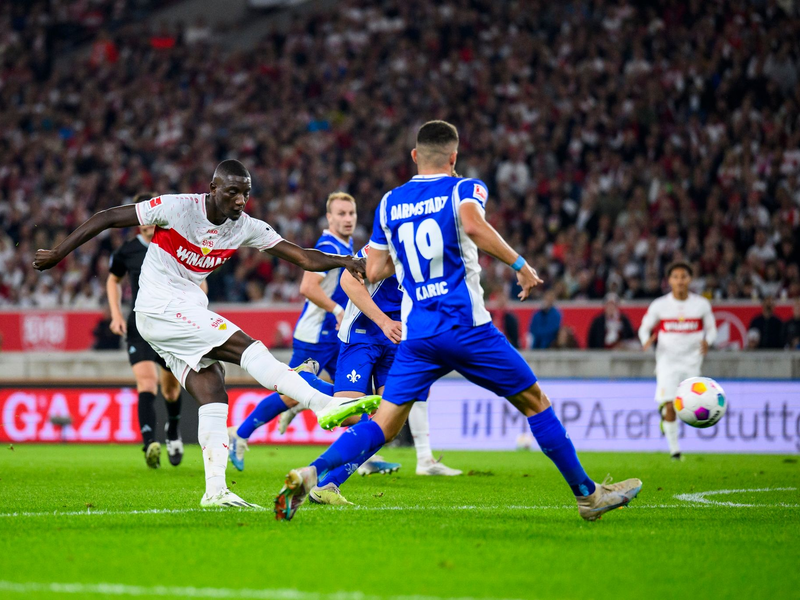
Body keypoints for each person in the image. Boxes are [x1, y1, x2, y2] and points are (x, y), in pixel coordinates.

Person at [274, 121, 641, 521]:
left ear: (414, 156)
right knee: (535, 402)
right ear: (454, 157)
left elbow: (373, 268)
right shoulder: (465, 188)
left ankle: (312, 472)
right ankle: (588, 496)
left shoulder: (389, 202)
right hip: (467, 327)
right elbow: (471, 223)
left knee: (384, 424)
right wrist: (519, 263)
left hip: (418, 336)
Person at [33, 159, 380, 508]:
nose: (240, 200)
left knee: (213, 386)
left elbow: (302, 257)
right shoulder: (178, 207)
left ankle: (215, 491)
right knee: (248, 347)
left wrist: (344, 261)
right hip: (158, 306)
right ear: (212, 189)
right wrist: (59, 252)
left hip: (180, 311)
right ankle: (321, 404)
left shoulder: (244, 226)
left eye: (246, 193)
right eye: (232, 192)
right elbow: (108, 217)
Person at [308, 243, 463, 506]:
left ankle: (328, 485)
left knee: (389, 420)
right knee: (352, 415)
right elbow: (348, 279)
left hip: (396, 338)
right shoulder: (389, 242)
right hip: (363, 333)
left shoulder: (435, 258)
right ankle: (303, 381)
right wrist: (383, 321)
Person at [227, 192, 356, 470]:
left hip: (335, 336)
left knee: (352, 396)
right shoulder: (328, 245)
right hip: (315, 337)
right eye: (341, 214)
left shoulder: (348, 244)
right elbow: (307, 287)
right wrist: (337, 310)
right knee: (291, 391)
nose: (348, 219)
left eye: (351, 213)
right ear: (329, 217)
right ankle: (240, 433)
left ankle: (362, 451)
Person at [107, 192, 200, 469]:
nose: (148, 227)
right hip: (139, 324)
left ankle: (172, 431)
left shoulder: (174, 245)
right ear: (140, 222)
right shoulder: (128, 251)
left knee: (171, 391)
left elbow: (196, 279)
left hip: (168, 325)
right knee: (146, 383)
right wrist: (115, 315)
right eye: (144, 222)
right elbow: (113, 280)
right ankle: (150, 444)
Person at [638, 262, 717, 460]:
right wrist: (645, 340)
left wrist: (709, 342)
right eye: (676, 277)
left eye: (683, 276)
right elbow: (644, 327)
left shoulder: (701, 304)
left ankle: (666, 419)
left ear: (690, 279)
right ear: (669, 280)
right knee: (671, 405)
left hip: (692, 362)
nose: (680, 280)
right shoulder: (660, 305)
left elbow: (712, 329)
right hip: (667, 362)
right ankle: (675, 452)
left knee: (690, 405)